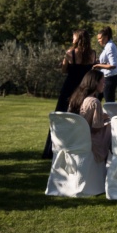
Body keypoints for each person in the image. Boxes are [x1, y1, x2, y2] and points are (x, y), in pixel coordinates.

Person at [43, 28, 96, 159]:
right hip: (85, 89)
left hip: (70, 87)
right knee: (83, 117)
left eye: (73, 37)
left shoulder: (70, 53)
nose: (72, 39)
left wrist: (63, 64)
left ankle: (54, 148)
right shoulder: (93, 54)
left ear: (77, 39)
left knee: (62, 115)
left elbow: (64, 70)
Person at [68, 69, 111, 164]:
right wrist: (103, 120)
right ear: (96, 83)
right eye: (103, 82)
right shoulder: (94, 102)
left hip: (75, 137)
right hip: (89, 140)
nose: (104, 84)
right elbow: (96, 128)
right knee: (111, 127)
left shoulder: (75, 98)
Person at [93, 26, 117, 103]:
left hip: (110, 78)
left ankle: (111, 115)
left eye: (100, 39)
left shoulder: (110, 47)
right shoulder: (107, 46)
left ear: (106, 37)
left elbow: (113, 65)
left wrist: (98, 66)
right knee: (96, 99)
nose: (98, 41)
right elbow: (107, 62)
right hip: (105, 77)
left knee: (109, 102)